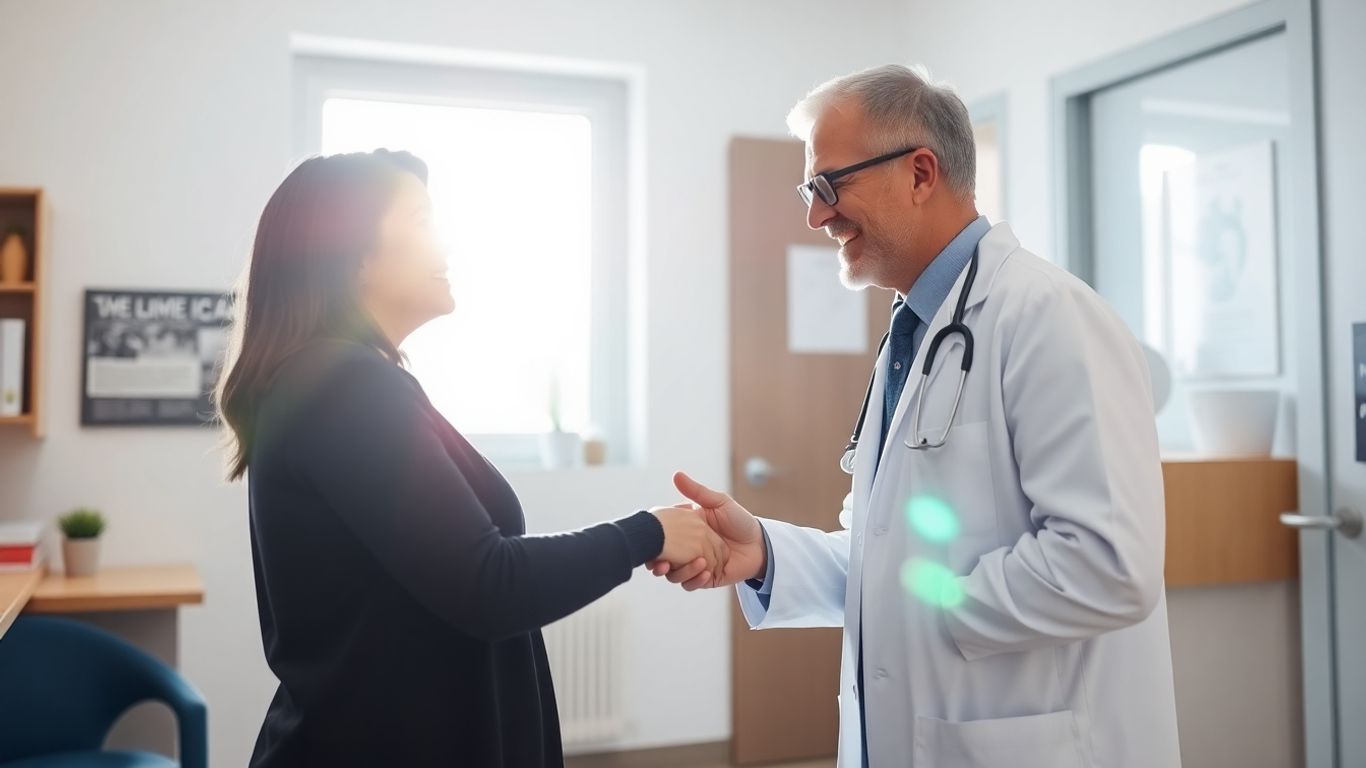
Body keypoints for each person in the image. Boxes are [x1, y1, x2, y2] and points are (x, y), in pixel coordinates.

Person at [651, 65, 1181, 767]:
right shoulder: (920, 332)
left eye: (828, 185)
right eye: (810, 191)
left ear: (920, 173)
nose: (816, 215)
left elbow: (1108, 564)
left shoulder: (1048, 317)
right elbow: (891, 555)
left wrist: (931, 607)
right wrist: (768, 553)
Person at [215, 149, 726, 768]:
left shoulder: (335, 381)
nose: (446, 248)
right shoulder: (347, 388)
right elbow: (490, 584)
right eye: (423, 222)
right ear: (351, 255)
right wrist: (647, 532)